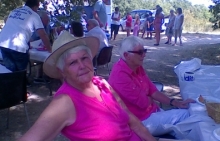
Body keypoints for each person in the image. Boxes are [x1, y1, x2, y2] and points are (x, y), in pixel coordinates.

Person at [18, 31, 156, 141]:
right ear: (62, 71)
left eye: (84, 58)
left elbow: (131, 119)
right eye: (73, 63)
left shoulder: (102, 84)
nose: (82, 66)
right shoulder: (65, 102)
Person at [108, 36, 195, 136]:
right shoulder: (120, 76)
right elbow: (144, 103)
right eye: (140, 52)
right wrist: (149, 98)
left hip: (151, 112)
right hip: (139, 122)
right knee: (187, 115)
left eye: (144, 51)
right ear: (126, 55)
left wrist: (175, 102)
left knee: (182, 128)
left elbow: (152, 90)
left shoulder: (136, 66)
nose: (144, 55)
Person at [0, 0, 51, 72]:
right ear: (36, 6)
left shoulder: (14, 11)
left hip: (3, 42)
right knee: (21, 73)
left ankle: (11, 82)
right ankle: (20, 82)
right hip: (18, 46)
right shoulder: (34, 15)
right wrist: (50, 49)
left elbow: (13, 26)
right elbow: (43, 34)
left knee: (10, 71)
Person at [29, 10, 51, 84]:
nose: (48, 21)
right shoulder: (33, 26)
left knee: (45, 57)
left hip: (41, 47)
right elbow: (30, 39)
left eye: (48, 20)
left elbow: (47, 36)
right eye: (46, 20)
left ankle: (41, 76)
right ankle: (35, 77)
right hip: (32, 47)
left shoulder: (47, 26)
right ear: (40, 20)